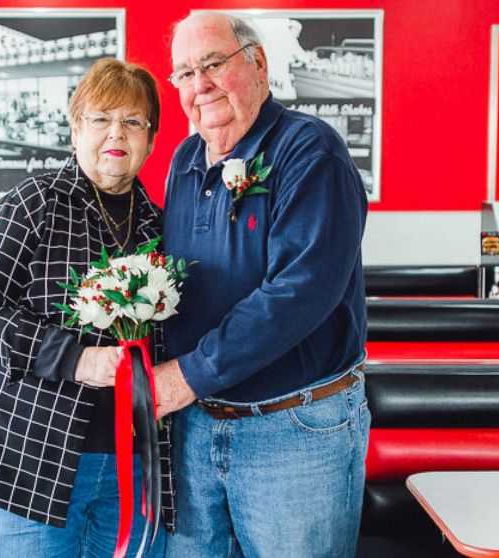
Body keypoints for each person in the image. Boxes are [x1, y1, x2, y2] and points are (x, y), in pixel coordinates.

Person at [0, 58, 172, 558]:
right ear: (76, 126)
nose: (115, 133)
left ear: (150, 136)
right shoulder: (32, 203)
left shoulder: (160, 225)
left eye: (133, 121)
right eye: (100, 118)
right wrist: (77, 359)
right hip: (18, 452)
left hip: (128, 462)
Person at [153, 12, 370, 558]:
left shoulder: (309, 150)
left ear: (258, 65)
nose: (198, 85)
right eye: (184, 73)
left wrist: (184, 377)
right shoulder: (183, 161)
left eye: (212, 64)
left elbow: (300, 290)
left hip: (294, 430)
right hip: (196, 427)